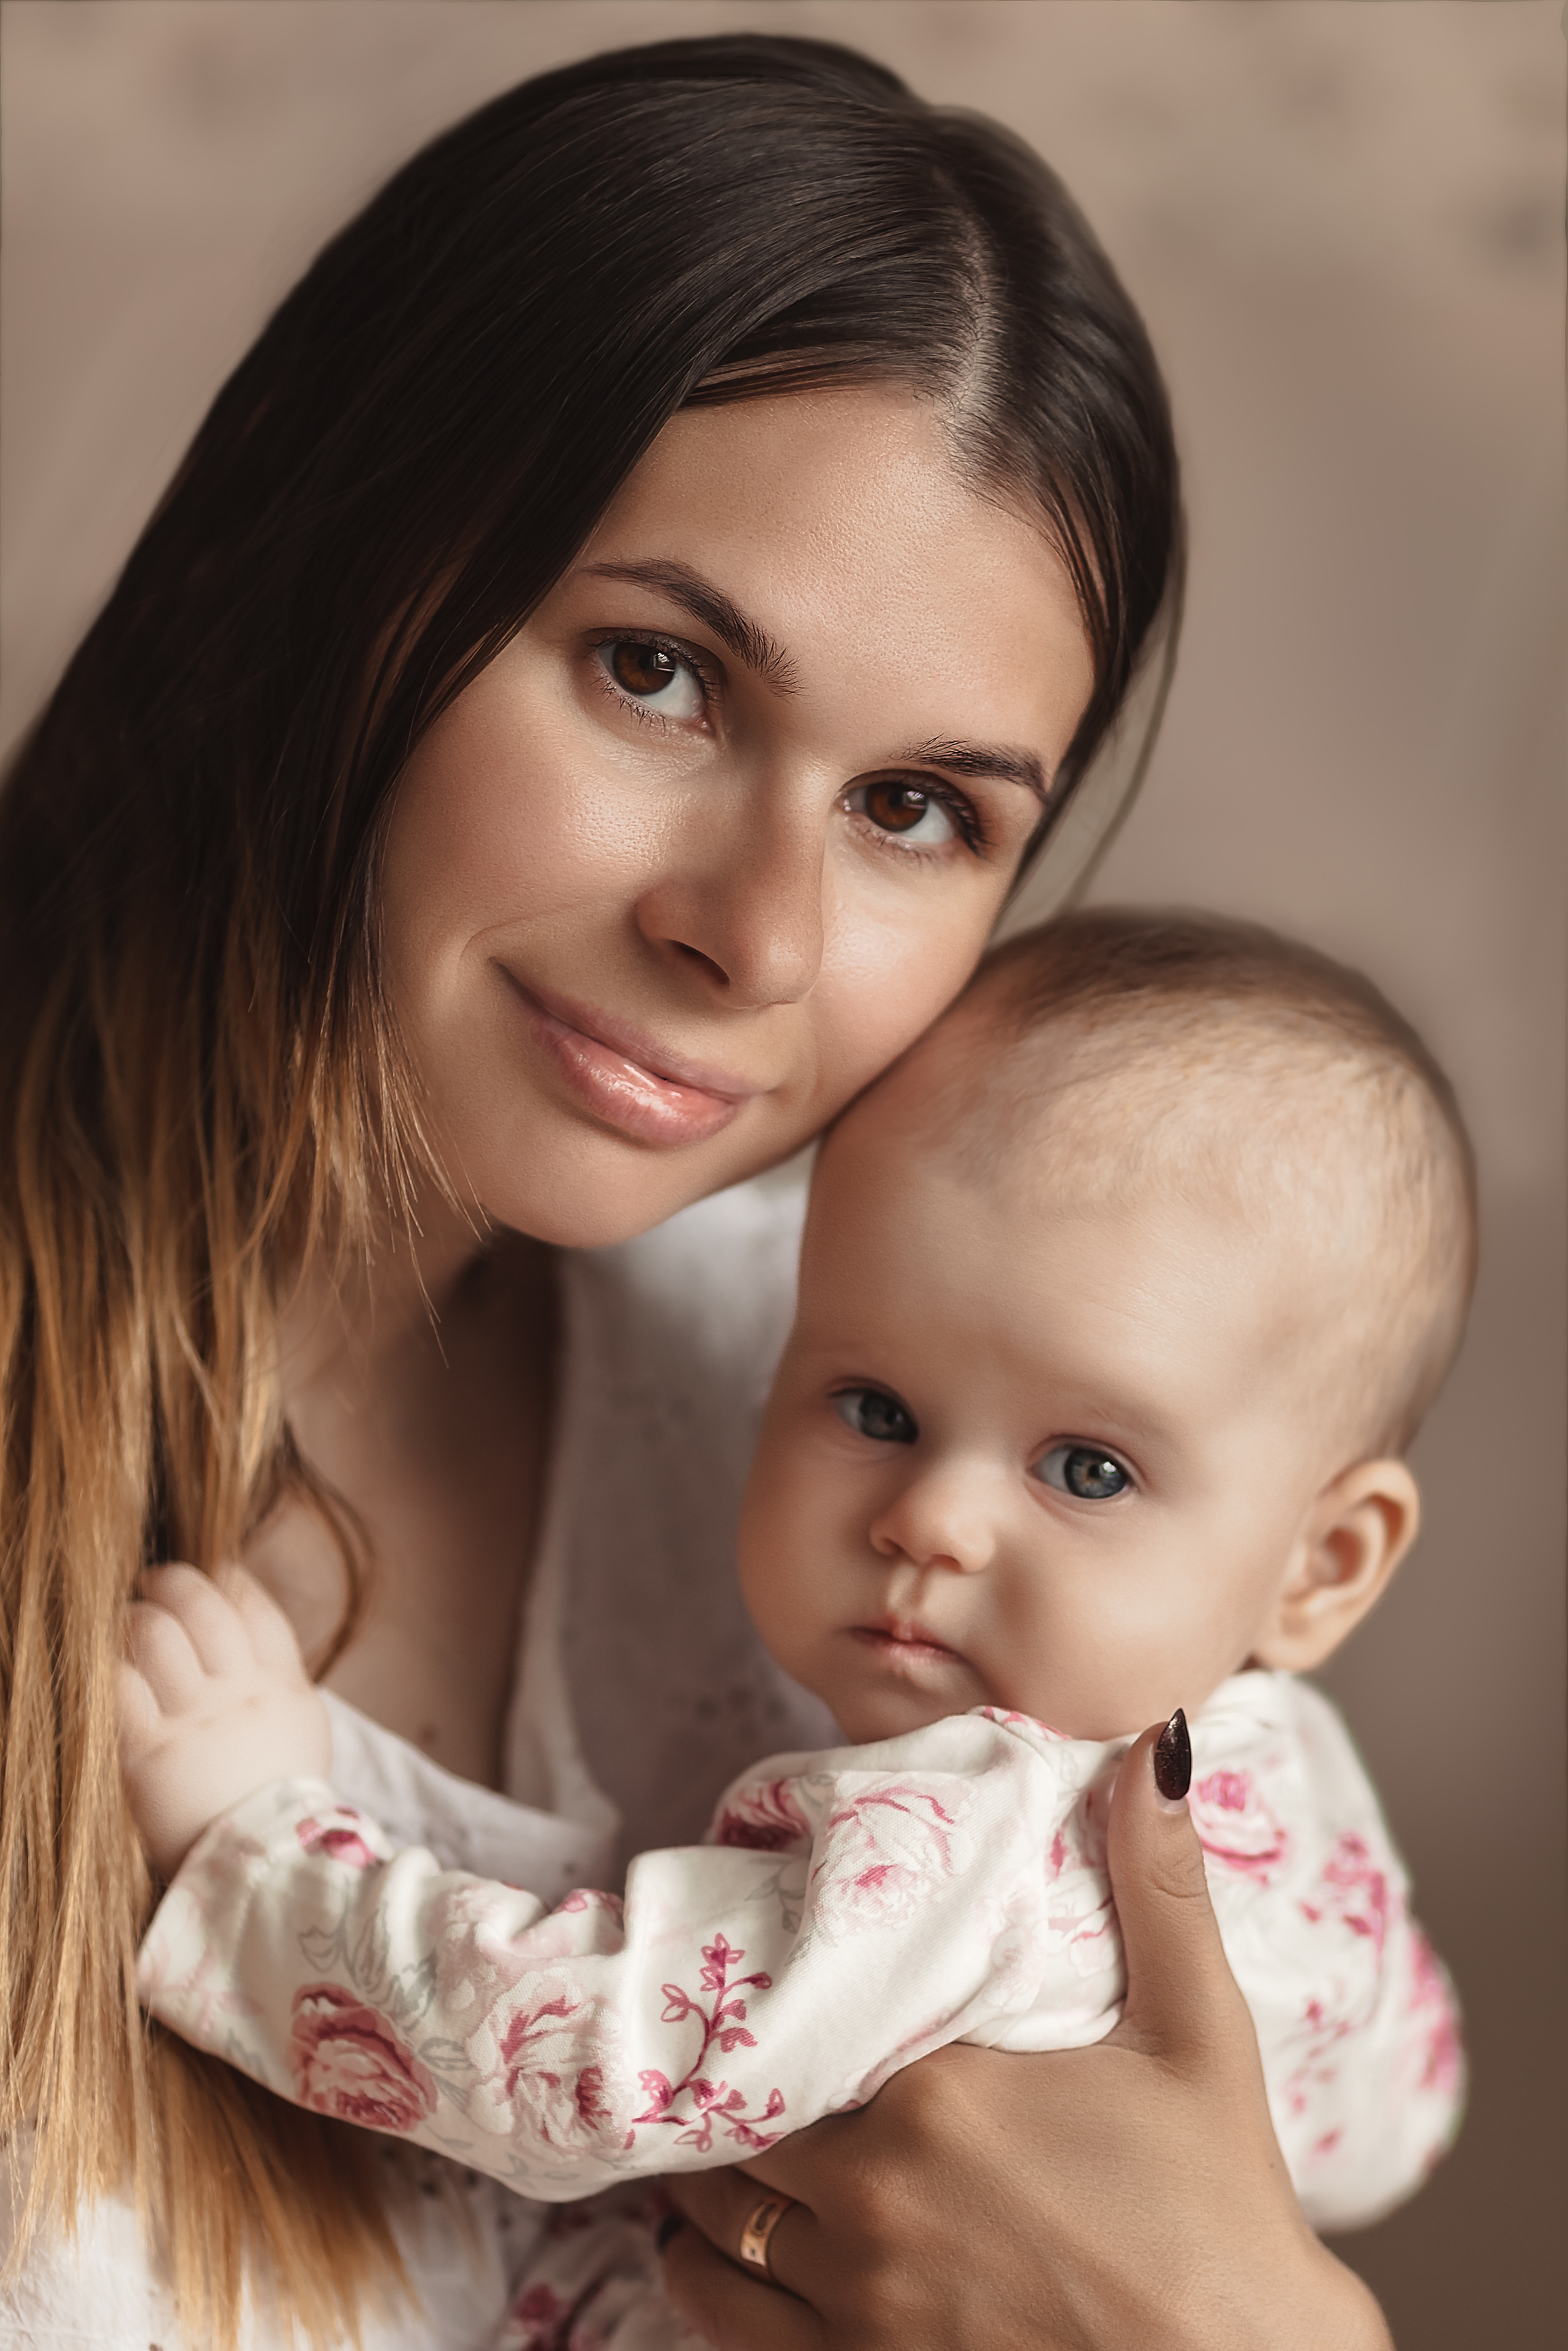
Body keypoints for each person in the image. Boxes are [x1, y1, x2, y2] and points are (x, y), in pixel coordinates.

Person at [0, 30, 1392, 2351]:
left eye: (918, 810)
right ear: (342, 569)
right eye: (657, 672)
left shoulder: (902, 1438)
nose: (756, 935)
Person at [119, 907, 1470, 2351]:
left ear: (1323, 1563)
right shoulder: (1304, 1807)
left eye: (1086, 1467)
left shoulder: (976, 1831)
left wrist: (252, 1844)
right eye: (875, 1408)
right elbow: (1399, 2113)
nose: (930, 1519)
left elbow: (577, 2059)